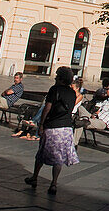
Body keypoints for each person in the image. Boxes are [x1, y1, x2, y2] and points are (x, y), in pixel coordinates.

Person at [24, 66, 79, 195]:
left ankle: (35, 177)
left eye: (57, 76)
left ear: (60, 78)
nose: (55, 78)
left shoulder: (54, 90)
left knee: (42, 152)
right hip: (66, 128)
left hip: (53, 126)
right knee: (59, 157)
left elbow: (47, 108)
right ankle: (54, 183)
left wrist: (41, 124)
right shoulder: (72, 92)